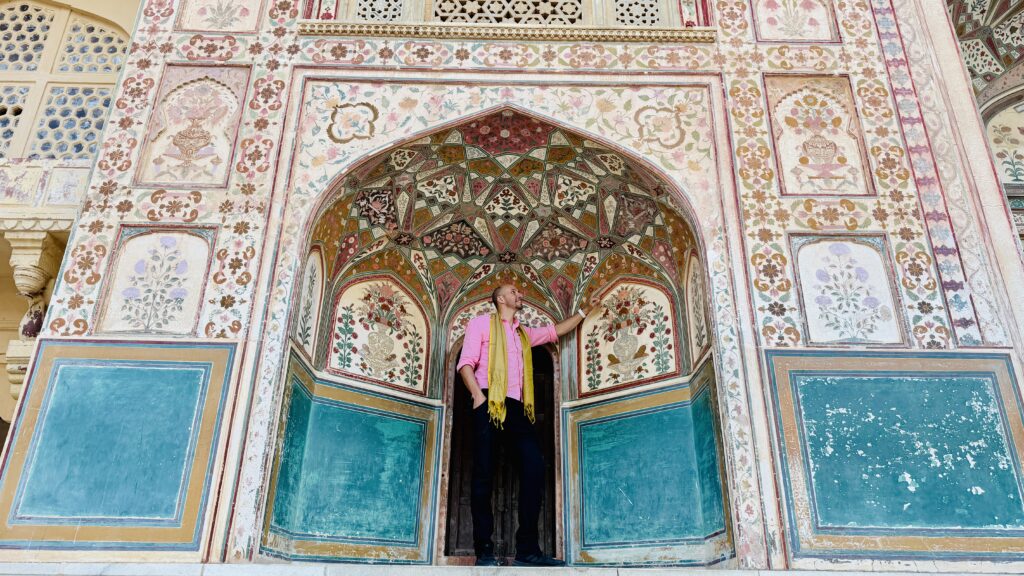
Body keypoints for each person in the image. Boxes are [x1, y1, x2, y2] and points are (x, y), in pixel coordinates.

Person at [456, 283, 598, 566]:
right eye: (513, 291)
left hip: (517, 408)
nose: (519, 294)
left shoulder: (522, 334)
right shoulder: (481, 324)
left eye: (519, 292)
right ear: (499, 298)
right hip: (489, 403)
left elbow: (554, 332)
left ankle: (527, 550)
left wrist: (584, 311)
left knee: (534, 467)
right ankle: (484, 551)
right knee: (484, 474)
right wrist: (476, 396)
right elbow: (465, 363)